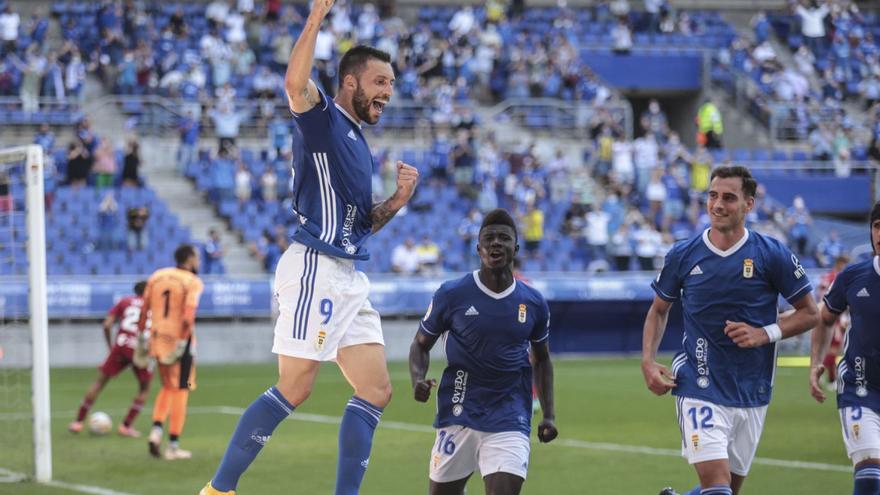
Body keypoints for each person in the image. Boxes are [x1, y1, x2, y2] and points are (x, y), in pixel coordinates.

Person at [200, 0, 418, 493]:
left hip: (347, 271)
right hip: (314, 267)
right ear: (350, 82)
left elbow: (360, 225)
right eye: (380, 82)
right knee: (296, 386)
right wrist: (316, 17)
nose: (388, 91)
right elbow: (295, 85)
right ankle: (217, 490)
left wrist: (398, 200)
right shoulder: (322, 120)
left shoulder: (359, 143)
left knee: (376, 389)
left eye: (391, 84)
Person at [642, 166, 819, 495]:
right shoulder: (683, 254)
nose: (718, 204)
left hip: (752, 390)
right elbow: (658, 310)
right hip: (700, 383)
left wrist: (764, 333)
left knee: (726, 491)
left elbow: (811, 313)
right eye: (712, 196)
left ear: (749, 205)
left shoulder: (772, 254)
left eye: (728, 197)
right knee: (719, 488)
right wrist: (648, 362)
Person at [409, 209, 557, 495]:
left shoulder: (534, 303)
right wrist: (418, 377)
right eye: (489, 238)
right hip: (458, 411)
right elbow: (420, 344)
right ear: (478, 248)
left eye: (504, 238)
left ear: (516, 247)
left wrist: (548, 415)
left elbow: (542, 359)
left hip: (509, 415)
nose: (496, 243)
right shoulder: (451, 295)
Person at [810, 201, 880, 494]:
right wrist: (816, 362)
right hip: (860, 387)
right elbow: (824, 319)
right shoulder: (853, 277)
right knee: (869, 477)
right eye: (877, 226)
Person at [140, 245, 204, 460]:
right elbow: (188, 316)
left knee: (167, 385)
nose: (199, 261)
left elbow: (143, 309)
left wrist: (142, 337)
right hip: (179, 340)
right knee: (182, 389)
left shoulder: (157, 276)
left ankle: (156, 431)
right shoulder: (192, 281)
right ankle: (173, 446)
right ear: (189, 260)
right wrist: (183, 342)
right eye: (197, 257)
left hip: (157, 339)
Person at [69, 281, 152, 438]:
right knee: (144, 388)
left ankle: (78, 422)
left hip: (121, 345)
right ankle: (126, 426)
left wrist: (111, 347)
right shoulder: (155, 306)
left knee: (100, 382)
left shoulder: (125, 301)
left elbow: (107, 325)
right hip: (140, 348)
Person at [815, 255, 850, 390]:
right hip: (833, 316)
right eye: (845, 264)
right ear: (840, 264)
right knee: (833, 350)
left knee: (826, 350)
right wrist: (843, 319)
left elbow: (820, 294)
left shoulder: (826, 276)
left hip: (822, 313)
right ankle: (825, 377)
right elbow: (838, 301)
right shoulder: (839, 278)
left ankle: (828, 378)